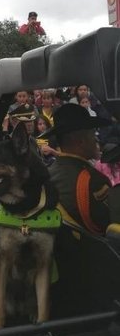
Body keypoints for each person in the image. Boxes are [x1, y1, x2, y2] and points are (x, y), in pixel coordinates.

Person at [39, 103, 120, 241]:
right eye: (92, 133)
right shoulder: (93, 181)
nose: (96, 139)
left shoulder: (47, 174)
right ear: (80, 141)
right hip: (95, 257)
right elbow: (112, 228)